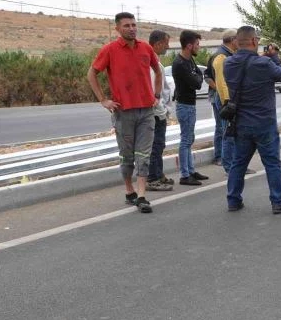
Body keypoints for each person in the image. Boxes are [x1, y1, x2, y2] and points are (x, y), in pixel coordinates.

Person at [87, 12, 161, 213]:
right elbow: (92, 73)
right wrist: (103, 99)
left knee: (143, 155)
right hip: (123, 112)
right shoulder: (109, 50)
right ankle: (130, 191)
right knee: (127, 156)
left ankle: (142, 195)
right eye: (127, 25)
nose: (132, 28)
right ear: (118, 29)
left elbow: (158, 70)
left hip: (146, 111)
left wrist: (157, 94)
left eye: (134, 25)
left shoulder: (145, 48)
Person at [223, 26, 281, 214]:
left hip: (241, 122)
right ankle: (278, 202)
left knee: (238, 162)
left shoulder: (228, 64)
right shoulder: (264, 63)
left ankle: (233, 200)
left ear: (237, 41)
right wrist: (274, 56)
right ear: (254, 41)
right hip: (264, 122)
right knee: (272, 163)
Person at [172, 30, 208, 186]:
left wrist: (197, 76)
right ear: (189, 45)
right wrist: (197, 77)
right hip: (184, 105)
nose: (198, 47)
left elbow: (199, 74)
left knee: (189, 138)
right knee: (186, 140)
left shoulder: (189, 61)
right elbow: (197, 83)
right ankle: (184, 175)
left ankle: (191, 171)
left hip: (190, 104)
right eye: (197, 44)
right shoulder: (180, 64)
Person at [145, 30, 174, 192]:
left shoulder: (156, 62)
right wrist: (161, 109)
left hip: (160, 111)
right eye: (166, 43)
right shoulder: (151, 64)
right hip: (156, 112)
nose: (168, 46)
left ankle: (158, 173)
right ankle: (152, 178)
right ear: (157, 44)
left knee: (159, 144)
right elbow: (153, 90)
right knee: (155, 145)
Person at [204, 29, 237, 168]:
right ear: (232, 40)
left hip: (224, 99)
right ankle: (229, 165)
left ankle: (230, 163)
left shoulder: (227, 54)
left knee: (228, 131)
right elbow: (222, 82)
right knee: (227, 132)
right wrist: (227, 102)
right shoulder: (221, 56)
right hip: (224, 99)